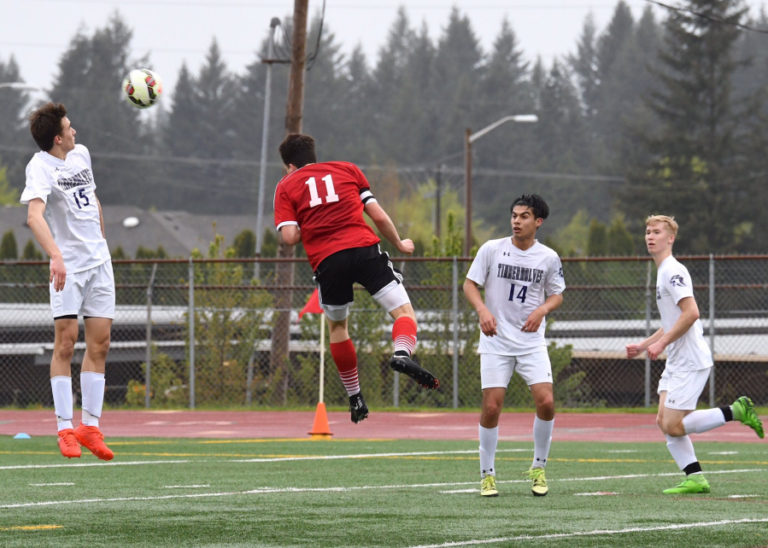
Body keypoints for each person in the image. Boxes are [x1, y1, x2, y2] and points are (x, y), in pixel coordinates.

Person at [273, 133, 439, 424]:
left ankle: (355, 396)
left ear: (288, 165)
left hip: (328, 260)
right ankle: (402, 352)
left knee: (338, 326)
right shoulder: (347, 169)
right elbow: (378, 215)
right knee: (402, 311)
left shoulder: (286, 185)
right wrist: (399, 243)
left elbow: (289, 237)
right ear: (314, 155)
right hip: (363, 249)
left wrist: (308, 223)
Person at [626, 215, 763, 494]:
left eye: (657, 232)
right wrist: (645, 344)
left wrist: (661, 344)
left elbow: (691, 313)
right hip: (678, 360)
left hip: (689, 360)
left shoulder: (672, 271)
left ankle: (735, 410)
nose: (650, 236)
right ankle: (695, 477)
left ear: (670, 238)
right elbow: (671, 321)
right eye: (648, 232)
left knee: (673, 425)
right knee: (663, 422)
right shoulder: (662, 271)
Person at [20, 102, 114, 461]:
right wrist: (56, 256)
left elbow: (93, 201)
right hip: (69, 268)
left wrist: (102, 243)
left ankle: (90, 427)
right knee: (66, 342)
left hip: (99, 264)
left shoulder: (82, 155)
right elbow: (34, 216)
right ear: (57, 138)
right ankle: (64, 429)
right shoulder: (40, 166)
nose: (75, 131)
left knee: (100, 344)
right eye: (69, 127)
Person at [463, 194, 565, 497]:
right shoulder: (492, 250)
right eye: (514, 215)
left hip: (531, 342)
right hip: (496, 341)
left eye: (523, 216)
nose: (516, 221)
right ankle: (487, 474)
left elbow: (557, 294)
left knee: (546, 402)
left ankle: (538, 468)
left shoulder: (548, 257)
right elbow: (470, 284)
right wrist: (483, 311)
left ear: (538, 222)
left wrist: (541, 310)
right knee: (492, 406)